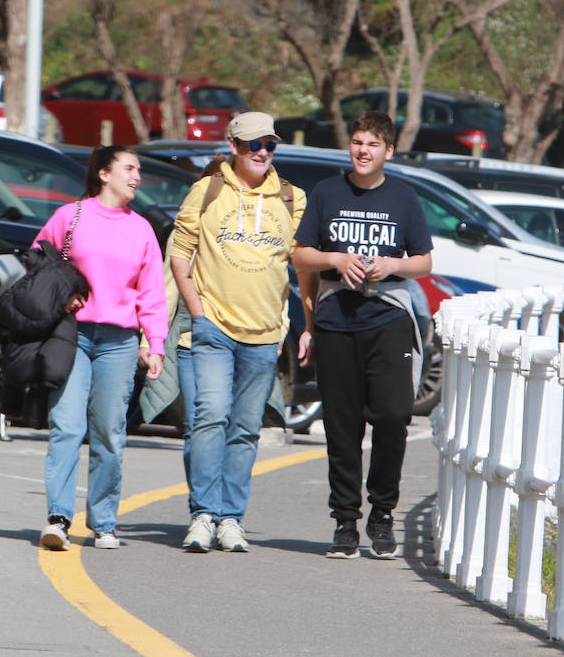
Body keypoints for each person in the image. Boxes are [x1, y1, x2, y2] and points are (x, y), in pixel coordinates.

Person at [292, 111, 432, 560]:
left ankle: (383, 511)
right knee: (341, 425)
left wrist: (392, 264)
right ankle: (346, 522)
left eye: (372, 144)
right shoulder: (327, 192)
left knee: (393, 416)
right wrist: (336, 258)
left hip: (388, 317)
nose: (362, 150)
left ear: (388, 151)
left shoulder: (403, 198)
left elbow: (424, 262)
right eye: (356, 142)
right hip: (337, 320)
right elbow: (301, 254)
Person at [170, 111, 306, 553]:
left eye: (270, 145)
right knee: (209, 417)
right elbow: (180, 254)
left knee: (246, 428)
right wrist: (198, 311)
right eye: (254, 145)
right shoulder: (207, 191)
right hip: (213, 328)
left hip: (265, 333)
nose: (262, 152)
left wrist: (300, 322)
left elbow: (303, 263)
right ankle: (203, 515)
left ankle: (231, 519)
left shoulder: (291, 198)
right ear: (234, 147)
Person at [35, 146, 167, 551]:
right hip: (73, 334)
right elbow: (39, 256)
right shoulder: (71, 216)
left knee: (110, 432)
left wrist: (155, 344)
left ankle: (104, 522)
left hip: (120, 343)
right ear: (104, 174)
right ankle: (59, 518)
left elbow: (152, 291)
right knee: (68, 426)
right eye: (129, 169)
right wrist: (63, 297)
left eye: (139, 170)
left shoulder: (141, 229)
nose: (137, 176)